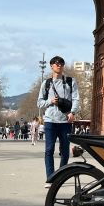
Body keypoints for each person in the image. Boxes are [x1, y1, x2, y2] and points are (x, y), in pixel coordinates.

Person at [37, 56, 80, 188]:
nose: (59, 65)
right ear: (51, 66)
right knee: (49, 150)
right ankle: (50, 178)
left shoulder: (70, 81)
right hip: (50, 120)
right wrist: (51, 101)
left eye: (61, 63)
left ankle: (60, 177)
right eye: (56, 63)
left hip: (65, 121)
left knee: (65, 150)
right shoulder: (46, 83)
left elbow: (76, 98)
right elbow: (39, 103)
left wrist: (73, 112)